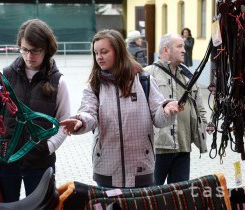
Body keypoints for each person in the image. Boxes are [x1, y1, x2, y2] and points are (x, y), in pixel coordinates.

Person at [60, 29, 183, 188]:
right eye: (96, 52)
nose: (99, 57)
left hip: (141, 169)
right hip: (106, 170)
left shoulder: (144, 80)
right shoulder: (95, 85)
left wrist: (166, 110)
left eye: (104, 52)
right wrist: (80, 121)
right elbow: (88, 113)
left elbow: (158, 118)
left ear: (118, 52)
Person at [0, 19, 71, 202]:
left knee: (40, 207)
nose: (29, 55)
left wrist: (48, 147)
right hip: (7, 160)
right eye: (25, 49)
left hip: (39, 163)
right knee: (6, 206)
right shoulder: (5, 76)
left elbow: (65, 122)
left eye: (36, 50)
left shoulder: (58, 81)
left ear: (47, 49)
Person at [144, 33, 207, 185]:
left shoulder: (187, 75)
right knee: (152, 195)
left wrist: (202, 126)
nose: (184, 50)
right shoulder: (147, 75)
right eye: (179, 46)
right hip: (158, 149)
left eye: (184, 46)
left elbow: (200, 107)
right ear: (166, 50)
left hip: (183, 147)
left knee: (179, 197)